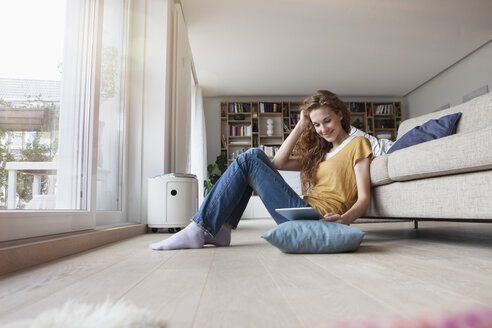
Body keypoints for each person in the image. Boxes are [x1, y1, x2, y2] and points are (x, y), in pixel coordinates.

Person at [150, 90, 373, 251]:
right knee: (253, 159)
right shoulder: (320, 153)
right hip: (301, 211)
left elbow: (363, 198)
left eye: (327, 120)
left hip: (319, 218)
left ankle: (199, 229)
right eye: (316, 125)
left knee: (250, 158)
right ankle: (222, 229)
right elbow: (278, 162)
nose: (323, 129)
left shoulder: (358, 144)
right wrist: (300, 125)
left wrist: (343, 220)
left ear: (340, 115)